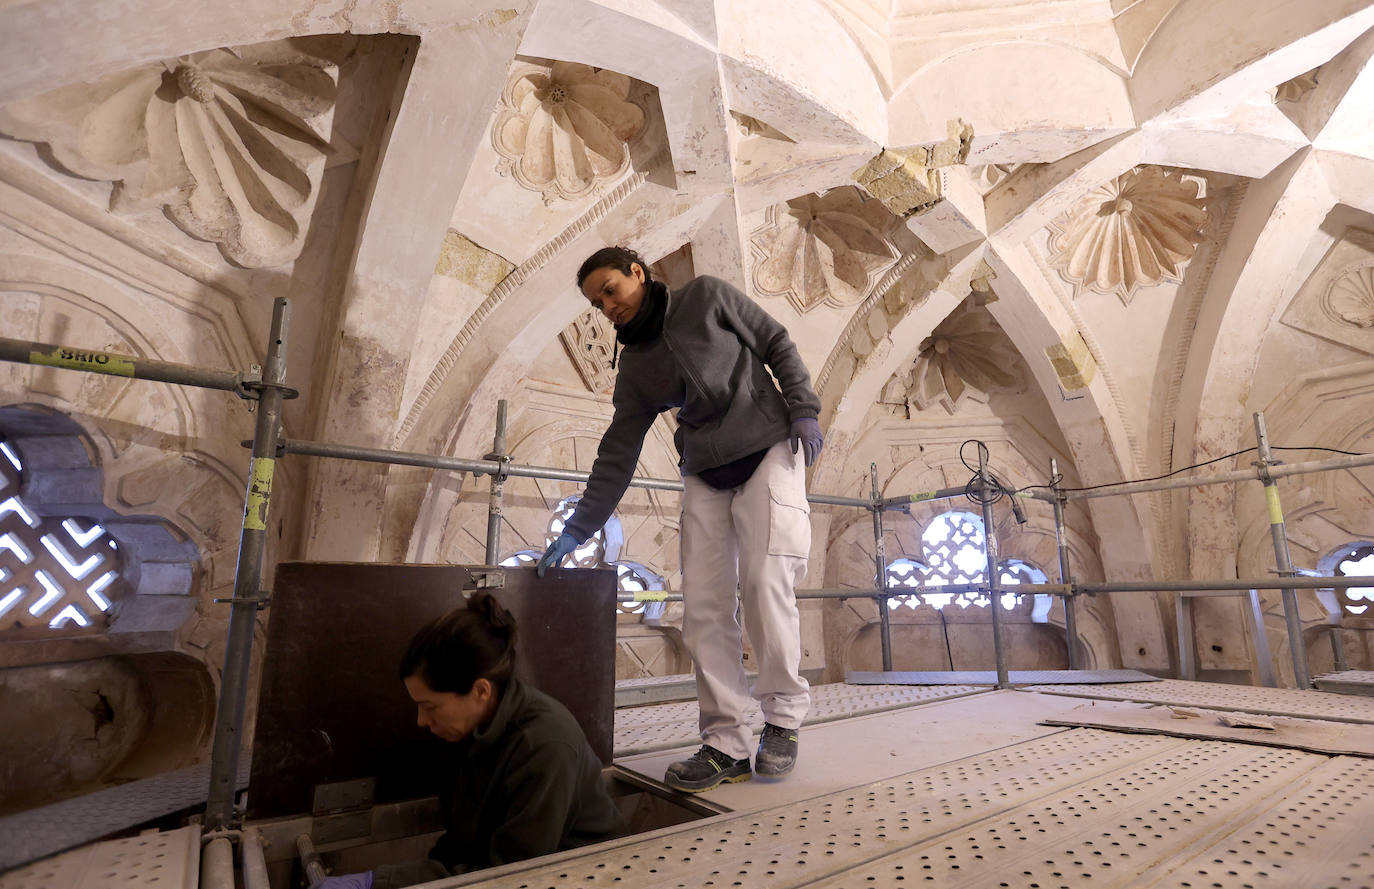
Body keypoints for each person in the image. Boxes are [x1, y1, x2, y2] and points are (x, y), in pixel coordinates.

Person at [536, 246, 823, 793]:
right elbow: (618, 450)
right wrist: (579, 528)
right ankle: (726, 743)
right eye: (597, 303)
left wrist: (803, 408)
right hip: (704, 470)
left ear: (636, 274)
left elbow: (776, 341)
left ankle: (782, 719)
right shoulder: (637, 367)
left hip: (768, 448)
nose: (606, 307)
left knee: (765, 583)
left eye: (610, 291)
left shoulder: (706, 297)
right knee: (704, 606)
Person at [317, 593, 626, 889]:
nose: (421, 721)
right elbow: (461, 845)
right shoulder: (469, 729)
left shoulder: (544, 747)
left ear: (480, 691)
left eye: (430, 706)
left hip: (587, 876)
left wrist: (381, 882)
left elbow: (511, 876)